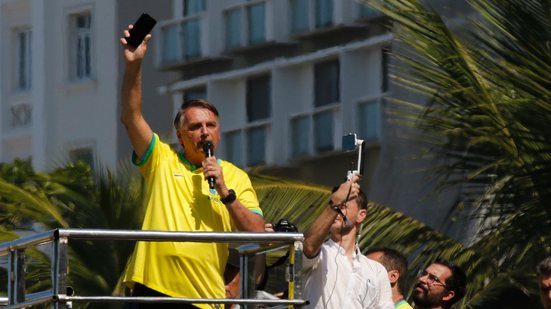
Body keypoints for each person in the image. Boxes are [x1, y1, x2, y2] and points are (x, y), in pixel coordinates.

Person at [119, 24, 265, 309]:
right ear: (180, 136)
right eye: (196, 127)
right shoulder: (161, 160)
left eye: (211, 125)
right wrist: (134, 66)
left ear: (219, 132)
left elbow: (258, 234)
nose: (204, 132)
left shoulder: (235, 176)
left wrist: (226, 192)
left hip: (203, 299)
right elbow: (131, 117)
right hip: (152, 292)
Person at [302, 176, 394, 309]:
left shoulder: (376, 270)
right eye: (334, 207)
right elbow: (309, 246)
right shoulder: (320, 253)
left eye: (342, 206)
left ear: (361, 215)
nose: (336, 212)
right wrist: (335, 202)